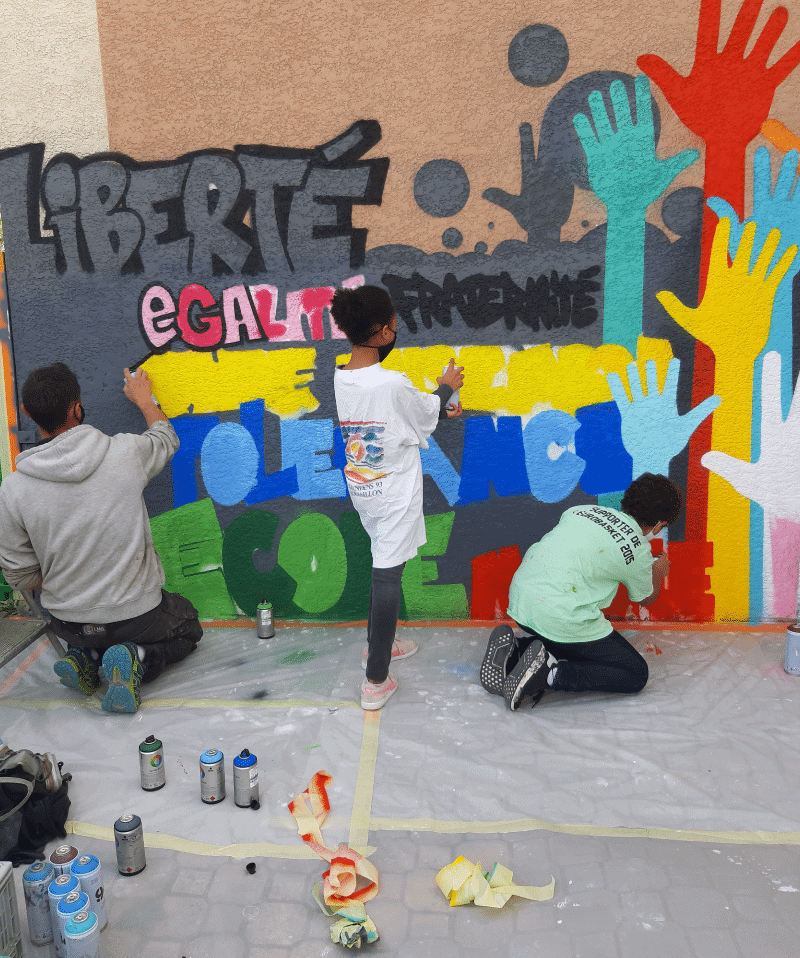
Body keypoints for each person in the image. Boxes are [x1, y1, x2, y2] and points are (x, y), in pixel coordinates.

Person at [0, 362, 202, 713]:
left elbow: (18, 576)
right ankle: (137, 656)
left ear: (30, 414)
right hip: (137, 618)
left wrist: (67, 577)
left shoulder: (13, 489)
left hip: (69, 623)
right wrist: (144, 400)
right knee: (189, 626)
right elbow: (166, 439)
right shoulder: (124, 452)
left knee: (90, 635)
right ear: (77, 407)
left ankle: (87, 657)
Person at [331, 285, 464, 710]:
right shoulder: (391, 382)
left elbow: (404, 414)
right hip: (393, 491)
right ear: (382, 331)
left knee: (382, 559)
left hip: (364, 486)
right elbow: (422, 412)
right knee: (388, 573)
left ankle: (379, 645)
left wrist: (437, 404)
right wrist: (446, 388)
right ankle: (375, 679)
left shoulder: (343, 375)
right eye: (393, 324)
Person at [482, 473, 682, 710]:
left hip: (522, 602)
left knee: (575, 642)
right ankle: (549, 673)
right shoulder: (637, 549)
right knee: (634, 673)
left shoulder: (580, 511)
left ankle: (516, 651)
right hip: (562, 616)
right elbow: (646, 597)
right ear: (659, 525)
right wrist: (658, 570)